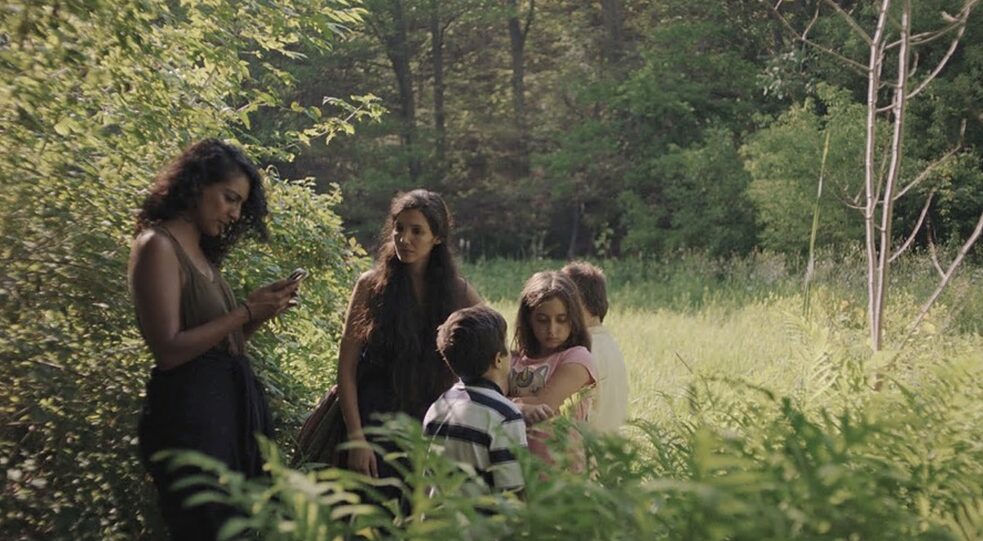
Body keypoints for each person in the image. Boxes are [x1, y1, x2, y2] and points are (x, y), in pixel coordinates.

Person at [129, 138, 301, 540]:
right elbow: (169, 350)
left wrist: (259, 314)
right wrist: (244, 312)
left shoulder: (202, 254)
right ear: (196, 184)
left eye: (240, 204)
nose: (234, 213)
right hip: (190, 423)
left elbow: (221, 344)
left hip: (226, 416)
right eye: (229, 198)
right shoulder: (158, 245)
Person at [336, 189, 481, 491]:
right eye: (399, 228)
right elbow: (346, 369)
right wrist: (356, 438)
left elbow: (494, 342)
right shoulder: (370, 286)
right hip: (373, 422)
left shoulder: (458, 292)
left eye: (417, 231)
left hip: (432, 423)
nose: (404, 238)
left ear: (437, 237)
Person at [424, 305, 543, 496]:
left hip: (437, 522)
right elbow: (513, 491)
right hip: (481, 524)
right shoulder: (504, 415)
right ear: (498, 360)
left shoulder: (438, 407)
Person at [509, 271, 597, 463]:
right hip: (516, 469)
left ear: (573, 320)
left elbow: (545, 405)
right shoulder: (511, 359)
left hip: (562, 471)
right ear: (528, 319)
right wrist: (520, 405)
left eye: (561, 319)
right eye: (542, 320)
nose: (552, 329)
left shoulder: (577, 358)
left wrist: (508, 403)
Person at [561, 261, 628, 433]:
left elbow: (568, 421)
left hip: (586, 454)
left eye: (561, 299)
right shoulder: (610, 345)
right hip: (612, 453)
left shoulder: (581, 353)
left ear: (577, 301)